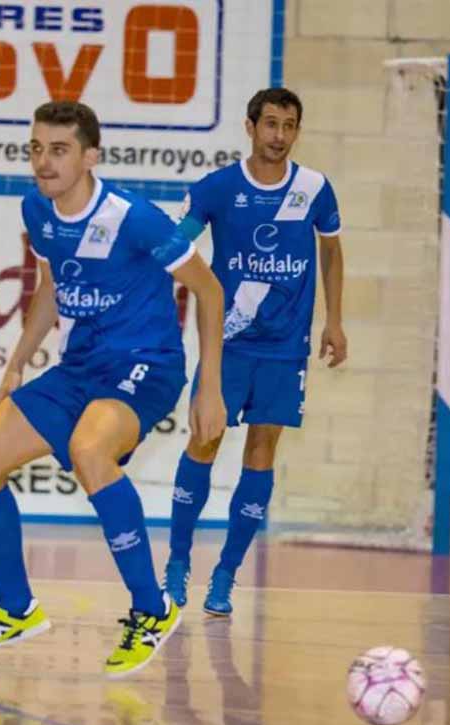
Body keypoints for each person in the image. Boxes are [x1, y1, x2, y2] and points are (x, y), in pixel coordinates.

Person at [0, 100, 227, 679]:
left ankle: (152, 609)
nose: (44, 162)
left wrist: (210, 388)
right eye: (36, 148)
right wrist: (17, 363)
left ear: (90, 156)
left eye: (59, 150)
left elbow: (211, 290)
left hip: (146, 364)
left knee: (89, 451)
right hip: (79, 369)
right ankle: (16, 608)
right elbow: (51, 286)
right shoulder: (38, 208)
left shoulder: (136, 219)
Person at [163, 87, 348, 616]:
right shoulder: (219, 188)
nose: (279, 136)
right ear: (249, 127)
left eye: (289, 126)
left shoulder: (314, 188)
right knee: (204, 442)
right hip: (228, 346)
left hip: (285, 349)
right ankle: (177, 563)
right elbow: (179, 244)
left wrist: (334, 319)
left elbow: (333, 254)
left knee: (262, 453)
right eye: (270, 124)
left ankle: (225, 575)